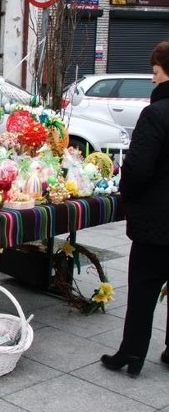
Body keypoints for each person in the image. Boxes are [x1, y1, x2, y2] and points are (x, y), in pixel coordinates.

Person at [100, 40, 169, 377]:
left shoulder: (155, 114)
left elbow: (139, 168)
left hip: (159, 223)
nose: (153, 79)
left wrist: (127, 192)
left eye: (155, 72)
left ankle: (132, 353)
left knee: (143, 288)